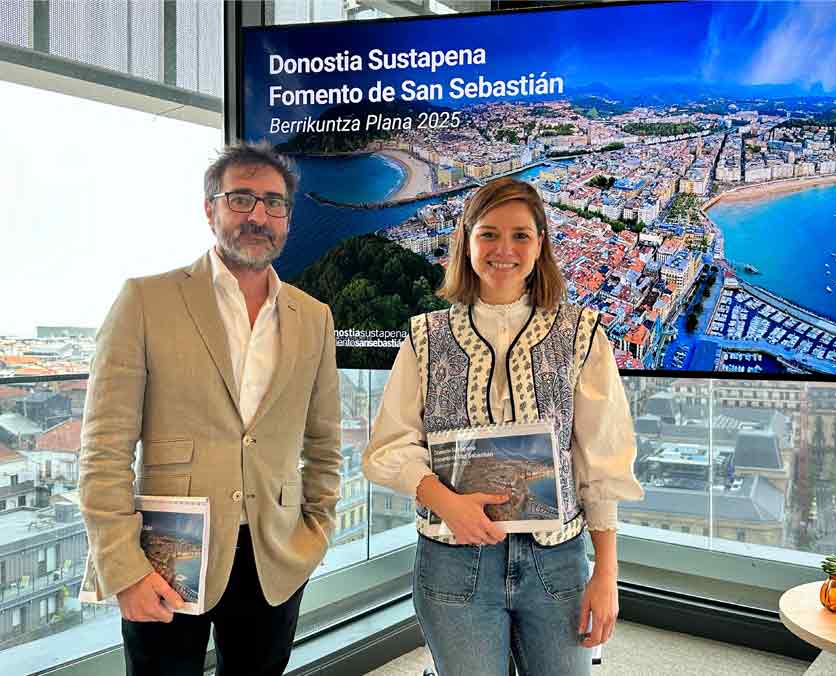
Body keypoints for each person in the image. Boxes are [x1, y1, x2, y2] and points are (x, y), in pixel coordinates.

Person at [79, 141, 342, 676]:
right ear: (209, 209)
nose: (258, 216)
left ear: (288, 218)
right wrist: (123, 567)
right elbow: (104, 448)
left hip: (275, 552)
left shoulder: (313, 316)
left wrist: (316, 530)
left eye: (274, 203)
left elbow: (325, 440)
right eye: (241, 199)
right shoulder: (145, 300)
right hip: (167, 553)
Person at [363, 177, 643, 676]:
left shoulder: (581, 334)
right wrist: (446, 501)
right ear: (467, 241)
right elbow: (388, 448)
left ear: (540, 244)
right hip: (453, 558)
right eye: (489, 234)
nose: (504, 250)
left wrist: (606, 573)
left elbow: (601, 460)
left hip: (555, 559)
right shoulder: (425, 337)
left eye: (520, 235)